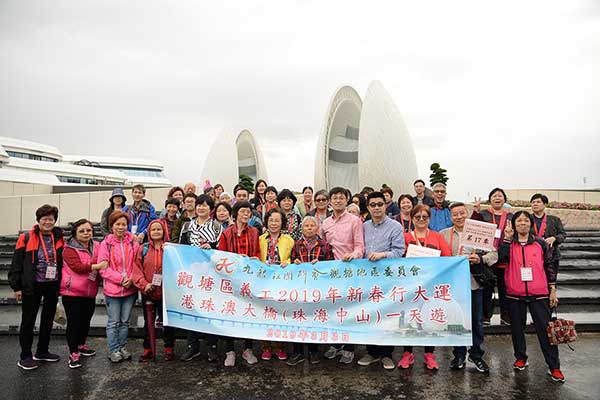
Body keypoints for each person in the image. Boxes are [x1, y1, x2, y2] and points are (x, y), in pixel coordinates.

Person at [499, 210, 565, 383]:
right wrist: (507, 238)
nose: (522, 223)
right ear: (514, 225)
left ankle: (554, 366)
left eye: (526, 220)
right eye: (519, 221)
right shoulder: (508, 243)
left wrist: (553, 289)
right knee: (517, 329)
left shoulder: (540, 243)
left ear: (531, 224)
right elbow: (501, 259)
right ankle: (521, 357)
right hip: (515, 294)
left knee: (546, 331)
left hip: (539, 294)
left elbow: (549, 266)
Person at [441, 203, 497, 373]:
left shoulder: (479, 231)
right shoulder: (443, 234)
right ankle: (458, 354)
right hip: (453, 285)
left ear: (467, 213)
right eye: (455, 214)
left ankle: (476, 354)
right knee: (455, 320)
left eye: (462, 213)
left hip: (474, 283)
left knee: (476, 320)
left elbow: (494, 254)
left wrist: (481, 259)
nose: (459, 217)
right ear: (450, 217)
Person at [10, 205, 64, 370]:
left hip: (52, 284)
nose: (48, 222)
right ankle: (25, 355)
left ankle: (42, 351)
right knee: (28, 320)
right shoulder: (26, 237)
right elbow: (16, 263)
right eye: (44, 219)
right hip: (31, 285)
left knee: (47, 319)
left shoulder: (58, 237)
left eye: (51, 219)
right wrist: (16, 287)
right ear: (38, 220)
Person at [399, 204, 451, 370]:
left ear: (429, 219)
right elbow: (397, 259)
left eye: (425, 217)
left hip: (430, 285)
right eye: (417, 217)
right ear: (412, 219)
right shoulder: (405, 237)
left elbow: (448, 258)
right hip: (410, 286)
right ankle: (408, 353)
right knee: (409, 317)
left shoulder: (437, 237)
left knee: (429, 317)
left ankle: (429, 354)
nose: (421, 220)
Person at [357, 191, 405, 370]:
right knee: (369, 314)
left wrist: (382, 255)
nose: (376, 208)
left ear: (385, 206)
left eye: (380, 204)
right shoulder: (363, 226)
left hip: (387, 280)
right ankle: (371, 352)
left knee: (386, 315)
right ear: (368, 207)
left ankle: (386, 354)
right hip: (367, 279)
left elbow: (399, 251)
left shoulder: (395, 227)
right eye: (373, 205)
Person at [322, 187, 365, 364]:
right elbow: (323, 247)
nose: (338, 200)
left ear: (347, 200)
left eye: (341, 197)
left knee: (349, 309)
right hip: (331, 274)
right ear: (330, 201)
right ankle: (335, 343)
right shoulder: (325, 223)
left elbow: (360, 246)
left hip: (350, 271)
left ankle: (348, 347)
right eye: (335, 198)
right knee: (333, 308)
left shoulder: (355, 221)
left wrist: (353, 255)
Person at [178, 195, 223, 362]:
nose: (201, 208)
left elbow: (222, 250)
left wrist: (211, 247)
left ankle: (212, 346)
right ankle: (193, 346)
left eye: (205, 205)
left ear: (211, 209)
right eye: (199, 205)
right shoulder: (187, 226)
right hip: (192, 275)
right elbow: (181, 248)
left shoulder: (217, 227)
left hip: (211, 275)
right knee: (192, 309)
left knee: (210, 308)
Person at [286, 215, 334, 366]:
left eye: (312, 225)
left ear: (317, 228)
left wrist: (321, 264)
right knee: (298, 317)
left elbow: (331, 265)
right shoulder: (297, 245)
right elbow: (291, 262)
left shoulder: (324, 245)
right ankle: (298, 352)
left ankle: (314, 351)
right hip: (300, 288)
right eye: (306, 226)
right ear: (302, 228)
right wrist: (295, 262)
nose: (309, 228)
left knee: (314, 318)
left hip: (317, 288)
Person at [217, 201, 260, 367]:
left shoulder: (255, 232)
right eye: (243, 211)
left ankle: (248, 349)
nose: (246, 214)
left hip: (248, 280)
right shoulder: (227, 233)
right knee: (230, 313)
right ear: (235, 214)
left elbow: (257, 253)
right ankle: (230, 351)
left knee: (248, 313)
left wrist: (255, 260)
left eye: (248, 212)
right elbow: (221, 256)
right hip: (231, 280)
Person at [61, 219, 107, 368]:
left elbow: (105, 260)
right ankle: (73, 352)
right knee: (74, 322)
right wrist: (97, 266)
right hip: (72, 292)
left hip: (89, 291)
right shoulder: (69, 248)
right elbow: (77, 267)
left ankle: (81, 344)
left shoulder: (97, 246)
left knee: (85, 320)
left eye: (89, 230)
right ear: (75, 233)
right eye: (82, 231)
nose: (86, 233)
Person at [98, 211, 139, 363]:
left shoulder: (133, 242)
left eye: (124, 224)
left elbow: (137, 263)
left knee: (125, 321)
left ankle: (122, 347)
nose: (121, 227)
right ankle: (114, 350)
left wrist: (132, 278)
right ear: (112, 225)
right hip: (113, 289)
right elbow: (103, 268)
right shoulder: (106, 244)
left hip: (130, 289)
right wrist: (121, 279)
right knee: (113, 322)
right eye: (118, 224)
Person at [132, 219, 176, 362]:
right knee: (148, 323)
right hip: (148, 292)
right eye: (153, 229)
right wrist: (144, 284)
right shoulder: (142, 249)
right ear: (149, 232)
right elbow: (137, 269)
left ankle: (169, 348)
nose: (156, 232)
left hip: (166, 293)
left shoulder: (171, 249)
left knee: (168, 323)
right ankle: (148, 349)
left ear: (164, 231)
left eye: (159, 229)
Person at [472, 188, 513, 326]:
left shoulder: (511, 216)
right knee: (486, 289)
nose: (497, 198)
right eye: (494, 196)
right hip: (487, 257)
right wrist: (476, 212)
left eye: (500, 196)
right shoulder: (483, 214)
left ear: (504, 199)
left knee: (505, 289)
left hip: (504, 258)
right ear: (490, 199)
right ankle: (485, 316)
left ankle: (506, 316)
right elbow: (474, 228)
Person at [259, 208, 294, 361]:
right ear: (266, 222)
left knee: (280, 313)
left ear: (282, 223)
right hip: (264, 282)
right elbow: (255, 257)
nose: (274, 223)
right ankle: (266, 347)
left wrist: (288, 262)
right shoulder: (260, 239)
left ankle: (280, 346)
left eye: (277, 221)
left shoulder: (289, 240)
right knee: (265, 313)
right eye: (271, 220)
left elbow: (294, 257)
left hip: (282, 282)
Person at [530, 193, 567, 282]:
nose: (535, 204)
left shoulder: (554, 219)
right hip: (531, 255)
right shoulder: (527, 219)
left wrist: (554, 238)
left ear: (545, 204)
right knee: (534, 281)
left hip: (551, 255)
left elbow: (562, 234)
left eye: (538, 202)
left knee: (550, 280)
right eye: (533, 202)